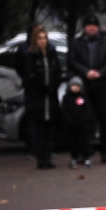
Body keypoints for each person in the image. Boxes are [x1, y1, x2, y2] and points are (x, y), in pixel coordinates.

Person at [67, 15, 106, 164]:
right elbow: (72, 61)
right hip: (85, 87)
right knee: (85, 121)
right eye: (89, 25)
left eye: (94, 25)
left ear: (98, 27)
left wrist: (101, 72)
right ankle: (85, 152)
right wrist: (86, 72)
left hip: (103, 86)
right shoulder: (76, 44)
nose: (92, 27)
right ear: (84, 27)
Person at [22, 25, 62, 169]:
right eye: (39, 38)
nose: (42, 41)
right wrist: (41, 87)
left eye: (44, 38)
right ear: (35, 40)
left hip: (51, 97)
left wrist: (53, 86)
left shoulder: (52, 54)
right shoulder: (31, 56)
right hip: (38, 98)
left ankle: (48, 157)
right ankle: (41, 159)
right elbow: (30, 76)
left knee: (49, 129)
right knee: (40, 130)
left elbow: (57, 72)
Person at [61, 76, 94, 169]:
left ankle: (86, 158)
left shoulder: (84, 97)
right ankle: (74, 158)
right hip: (71, 126)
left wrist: (82, 120)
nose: (75, 88)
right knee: (73, 143)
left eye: (77, 86)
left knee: (84, 142)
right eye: (73, 86)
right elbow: (64, 110)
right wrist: (70, 120)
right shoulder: (66, 98)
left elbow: (88, 111)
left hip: (82, 125)